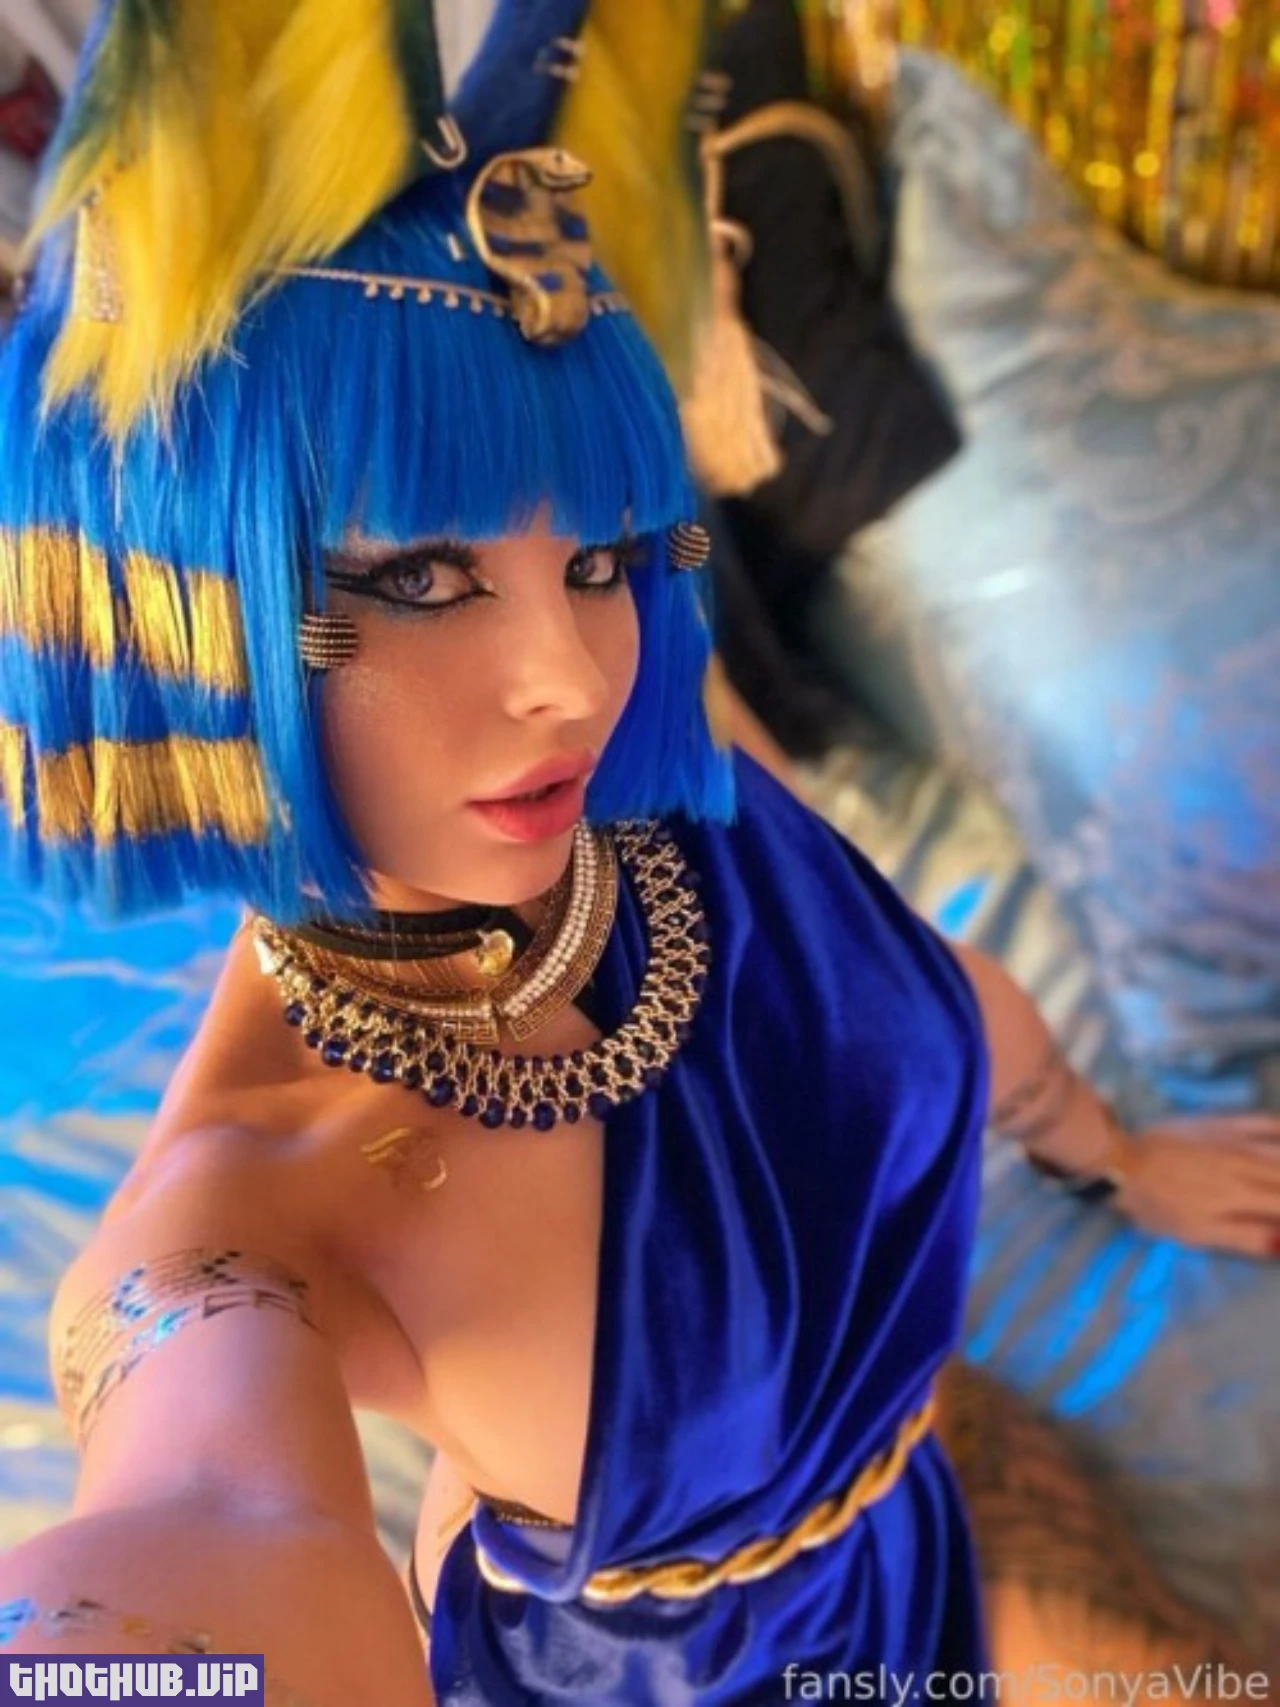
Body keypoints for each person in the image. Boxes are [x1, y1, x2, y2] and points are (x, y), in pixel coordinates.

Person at [0, 7, 1275, 1704]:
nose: (571, 676)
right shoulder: (242, 1229)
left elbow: (915, 987)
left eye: (599, 559)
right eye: (424, 577)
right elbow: (205, 1521)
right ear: (189, 613)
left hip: (929, 1472)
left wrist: (1114, 1154)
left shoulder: (652, 791)